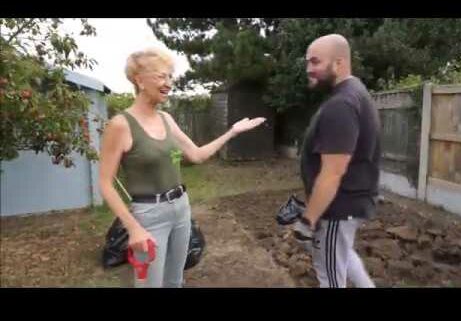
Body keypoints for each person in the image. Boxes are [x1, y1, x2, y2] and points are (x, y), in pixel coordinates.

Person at [99, 47, 266, 287]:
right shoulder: (120, 125)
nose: (168, 83)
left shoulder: (166, 119)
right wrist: (133, 228)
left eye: (170, 77)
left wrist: (232, 132)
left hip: (180, 208)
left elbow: (196, 155)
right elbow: (105, 183)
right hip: (148, 216)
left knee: (175, 281)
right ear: (139, 80)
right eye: (161, 76)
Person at [298, 34, 380, 288]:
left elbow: (333, 172)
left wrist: (308, 220)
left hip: (337, 208)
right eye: (307, 62)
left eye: (315, 62)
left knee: (331, 276)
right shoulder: (355, 94)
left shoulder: (341, 105)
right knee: (344, 258)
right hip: (349, 204)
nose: (309, 69)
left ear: (339, 62)